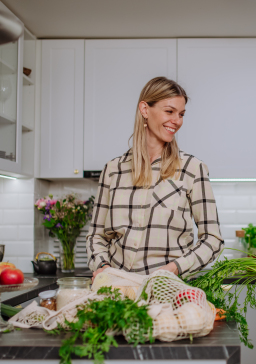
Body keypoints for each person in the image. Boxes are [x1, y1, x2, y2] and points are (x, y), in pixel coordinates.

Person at [86, 77, 224, 279]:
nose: (177, 121)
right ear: (144, 109)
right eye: (169, 111)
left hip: (169, 290)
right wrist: (103, 266)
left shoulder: (192, 169)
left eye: (181, 114)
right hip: (117, 291)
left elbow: (213, 239)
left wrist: (176, 268)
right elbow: (96, 236)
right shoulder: (113, 170)